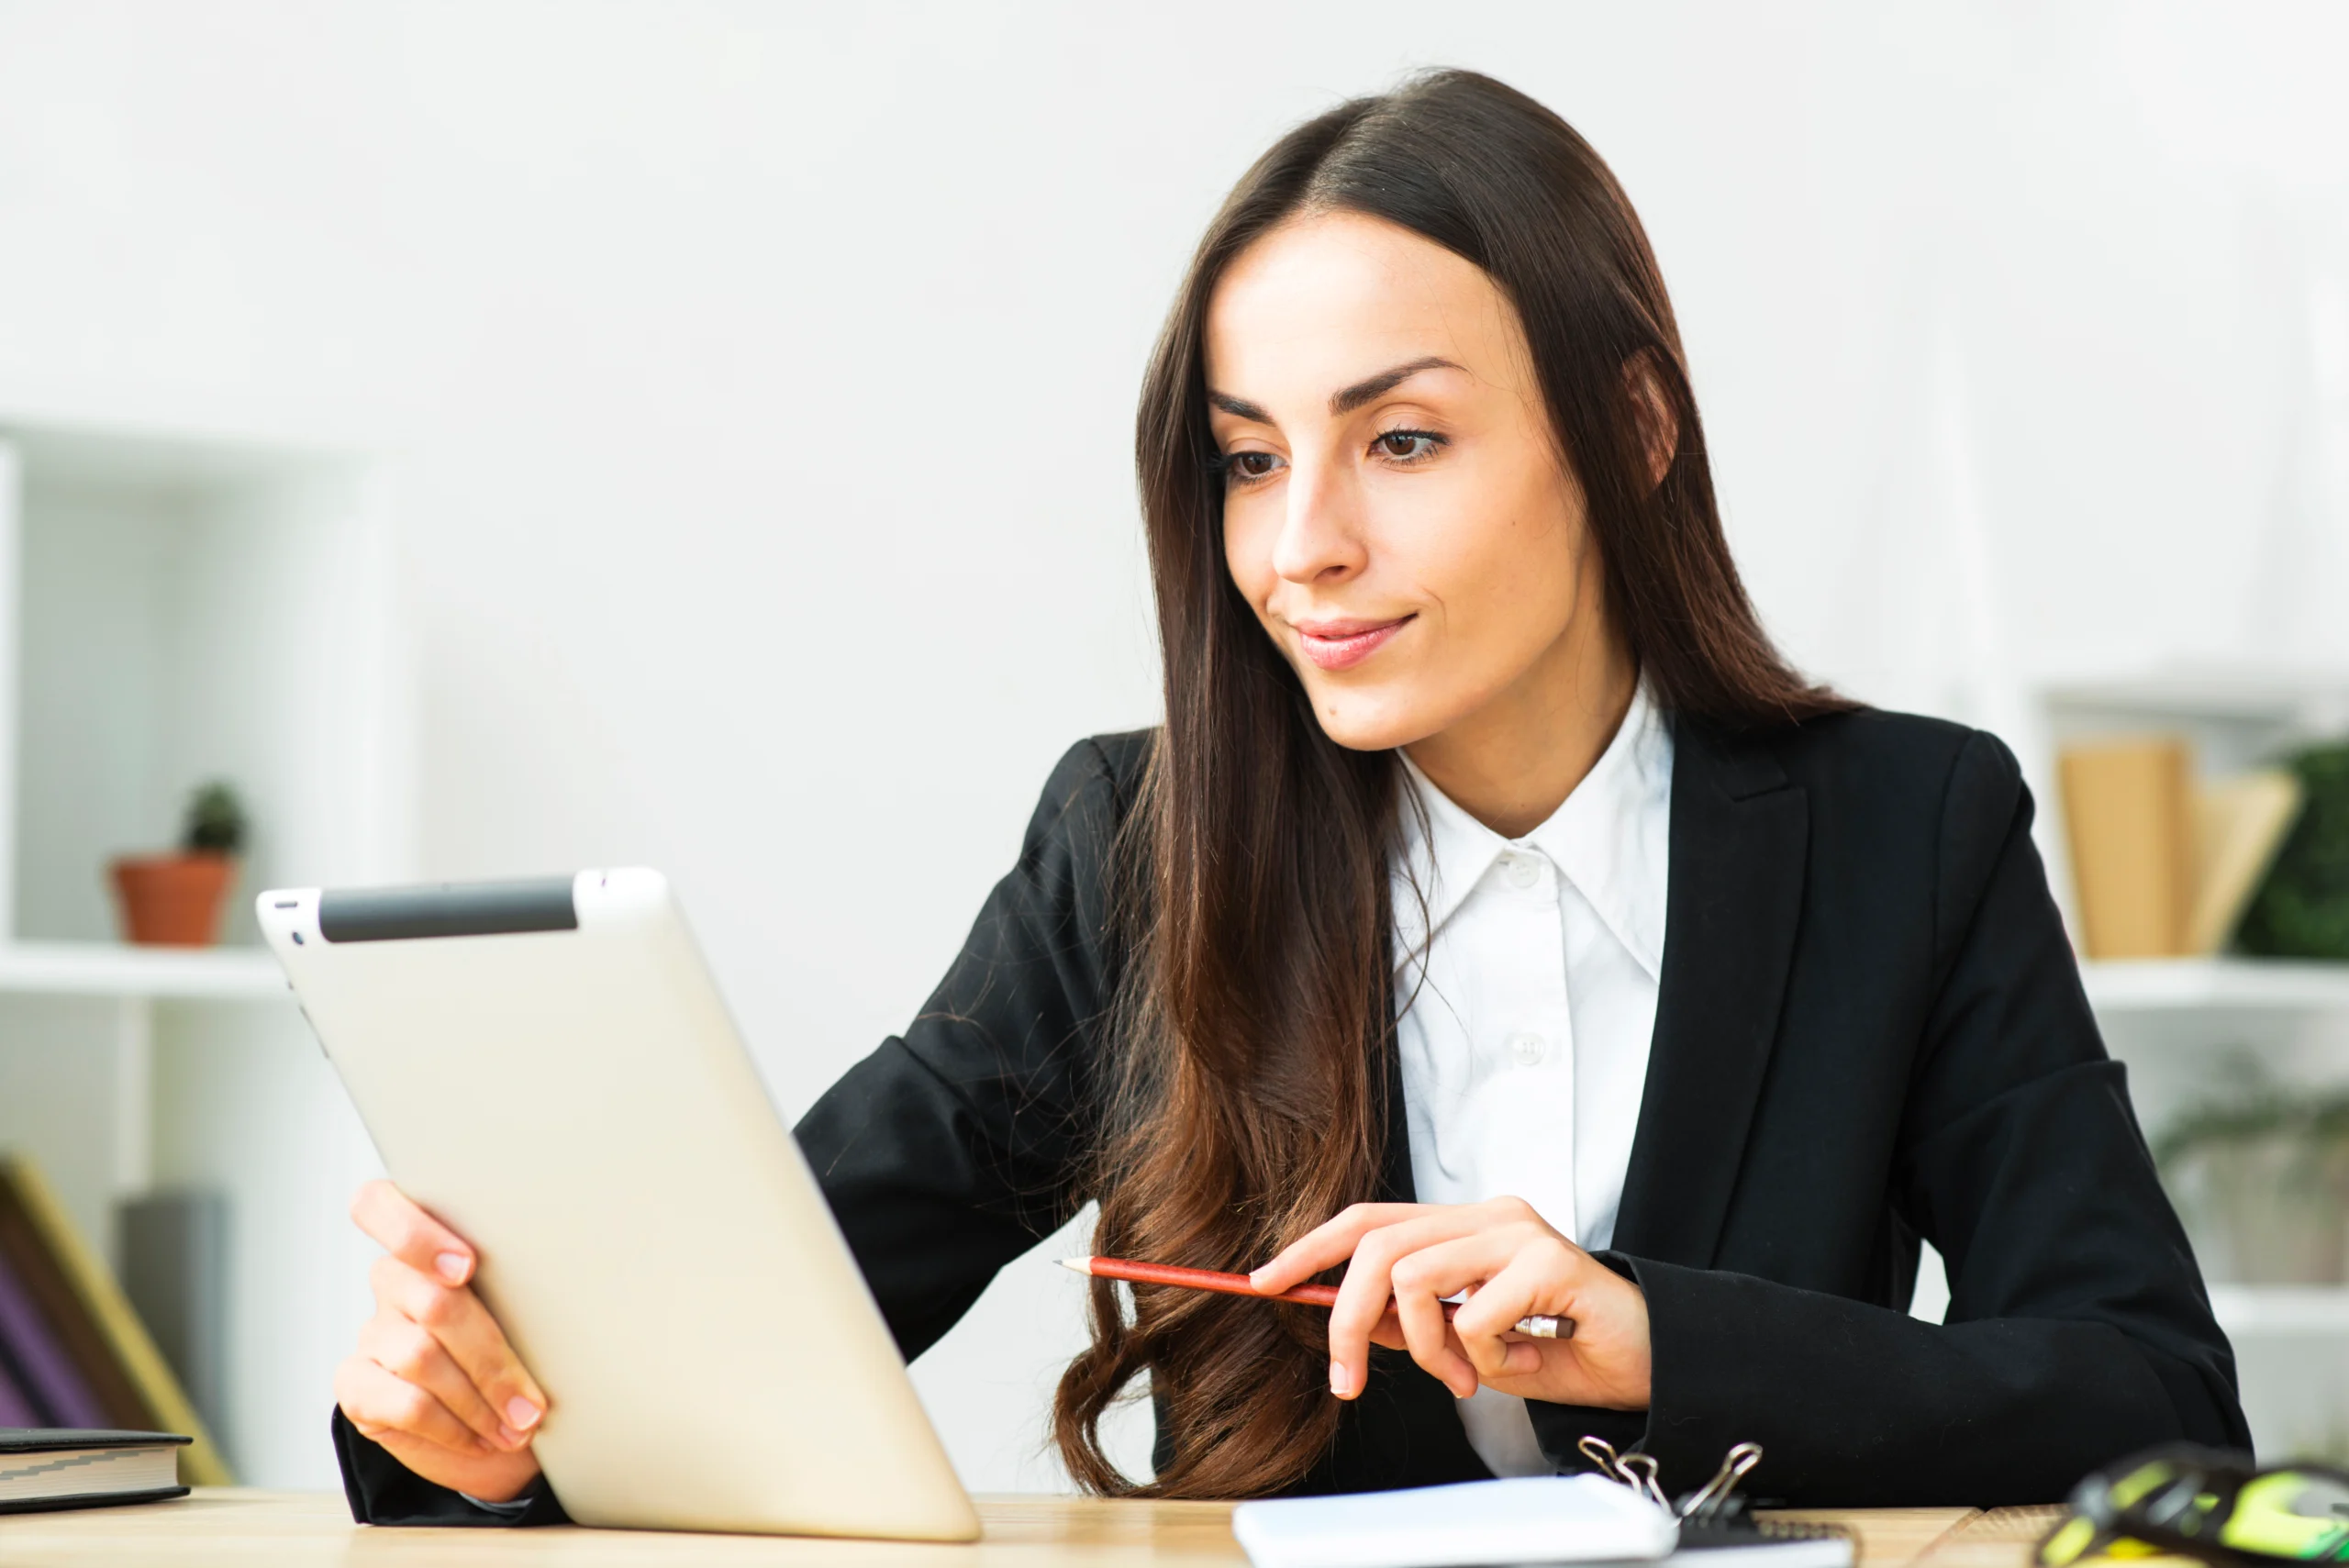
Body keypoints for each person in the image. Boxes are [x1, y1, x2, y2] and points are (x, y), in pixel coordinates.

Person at [328, 69, 2245, 1525]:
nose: (1303, 544)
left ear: (1629, 430)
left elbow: (2145, 1401)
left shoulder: (1902, 832)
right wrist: (463, 1424)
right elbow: (773, 1320)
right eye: (1249, 460)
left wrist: (1650, 1334)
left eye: (1399, 439)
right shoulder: (1136, 847)